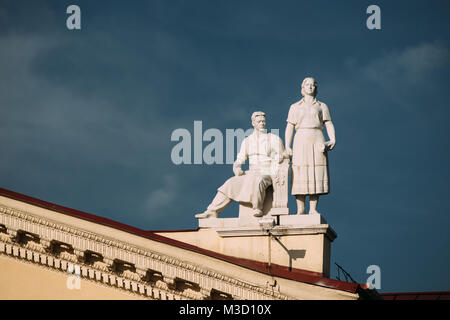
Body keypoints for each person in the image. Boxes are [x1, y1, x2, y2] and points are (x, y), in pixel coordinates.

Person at [195, 111, 285, 219]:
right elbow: (240, 158)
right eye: (259, 121)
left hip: (267, 171)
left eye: (263, 121)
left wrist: (279, 157)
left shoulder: (273, 138)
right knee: (230, 183)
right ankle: (212, 211)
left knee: (258, 180)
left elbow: (282, 155)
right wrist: (237, 167)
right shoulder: (247, 141)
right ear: (253, 123)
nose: (262, 123)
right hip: (251, 172)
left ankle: (257, 208)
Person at [285, 77, 336, 215]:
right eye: (307, 85)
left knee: (315, 172)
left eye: (313, 85)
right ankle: (300, 208)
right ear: (302, 89)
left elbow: (328, 123)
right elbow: (290, 127)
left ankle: (313, 209)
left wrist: (332, 139)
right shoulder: (295, 107)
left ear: (316, 88)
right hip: (300, 139)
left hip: (317, 138)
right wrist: (287, 146)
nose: (310, 87)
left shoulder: (322, 106)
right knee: (300, 172)